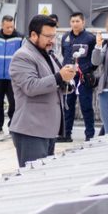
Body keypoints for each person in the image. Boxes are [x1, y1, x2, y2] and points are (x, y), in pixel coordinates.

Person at [9, 15, 75, 167]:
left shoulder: (47, 54)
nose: (52, 41)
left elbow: (52, 83)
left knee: (44, 175)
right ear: (34, 35)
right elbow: (30, 87)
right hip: (31, 130)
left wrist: (66, 82)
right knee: (33, 176)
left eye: (54, 36)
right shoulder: (23, 56)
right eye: (48, 36)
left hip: (47, 129)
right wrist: (59, 77)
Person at [57, 12, 96, 143]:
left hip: (83, 77)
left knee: (86, 106)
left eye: (77, 21)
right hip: (68, 77)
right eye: (73, 21)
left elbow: (95, 58)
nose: (75, 24)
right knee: (67, 106)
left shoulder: (90, 38)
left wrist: (88, 69)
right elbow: (65, 54)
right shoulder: (65, 37)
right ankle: (66, 134)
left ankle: (89, 135)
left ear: (83, 22)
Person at [0, 15, 22, 134]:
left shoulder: (19, 37)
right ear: (2, 25)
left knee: (14, 102)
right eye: (7, 27)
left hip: (12, 77)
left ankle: (12, 125)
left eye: (12, 27)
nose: (10, 29)